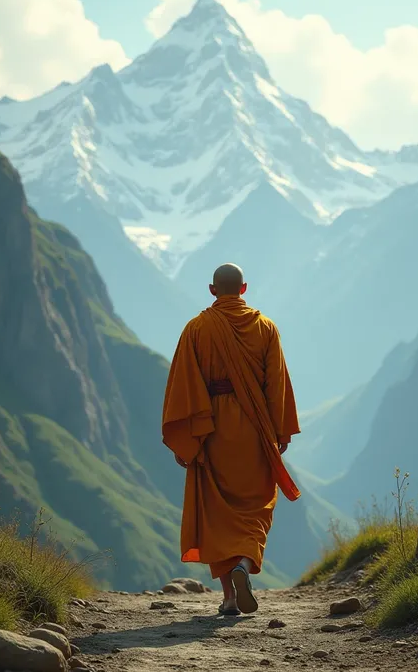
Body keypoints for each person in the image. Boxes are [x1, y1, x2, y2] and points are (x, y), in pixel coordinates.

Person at [162, 263, 300, 616]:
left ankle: (229, 597)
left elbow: (183, 384)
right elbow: (277, 384)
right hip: (254, 427)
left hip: (212, 430)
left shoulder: (196, 329)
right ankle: (244, 561)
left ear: (212, 290)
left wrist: (186, 438)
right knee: (257, 505)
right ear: (244, 289)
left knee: (216, 512)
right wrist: (279, 431)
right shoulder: (265, 328)